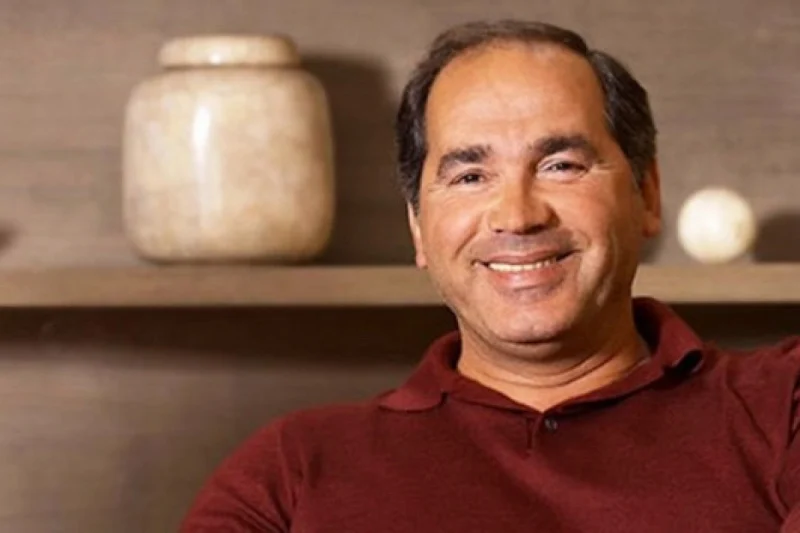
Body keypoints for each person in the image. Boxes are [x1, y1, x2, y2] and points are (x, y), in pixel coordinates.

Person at [180, 19, 800, 532]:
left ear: (647, 194)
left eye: (561, 165)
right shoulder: (289, 474)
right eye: (470, 177)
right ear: (419, 227)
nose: (518, 216)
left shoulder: (782, 408)